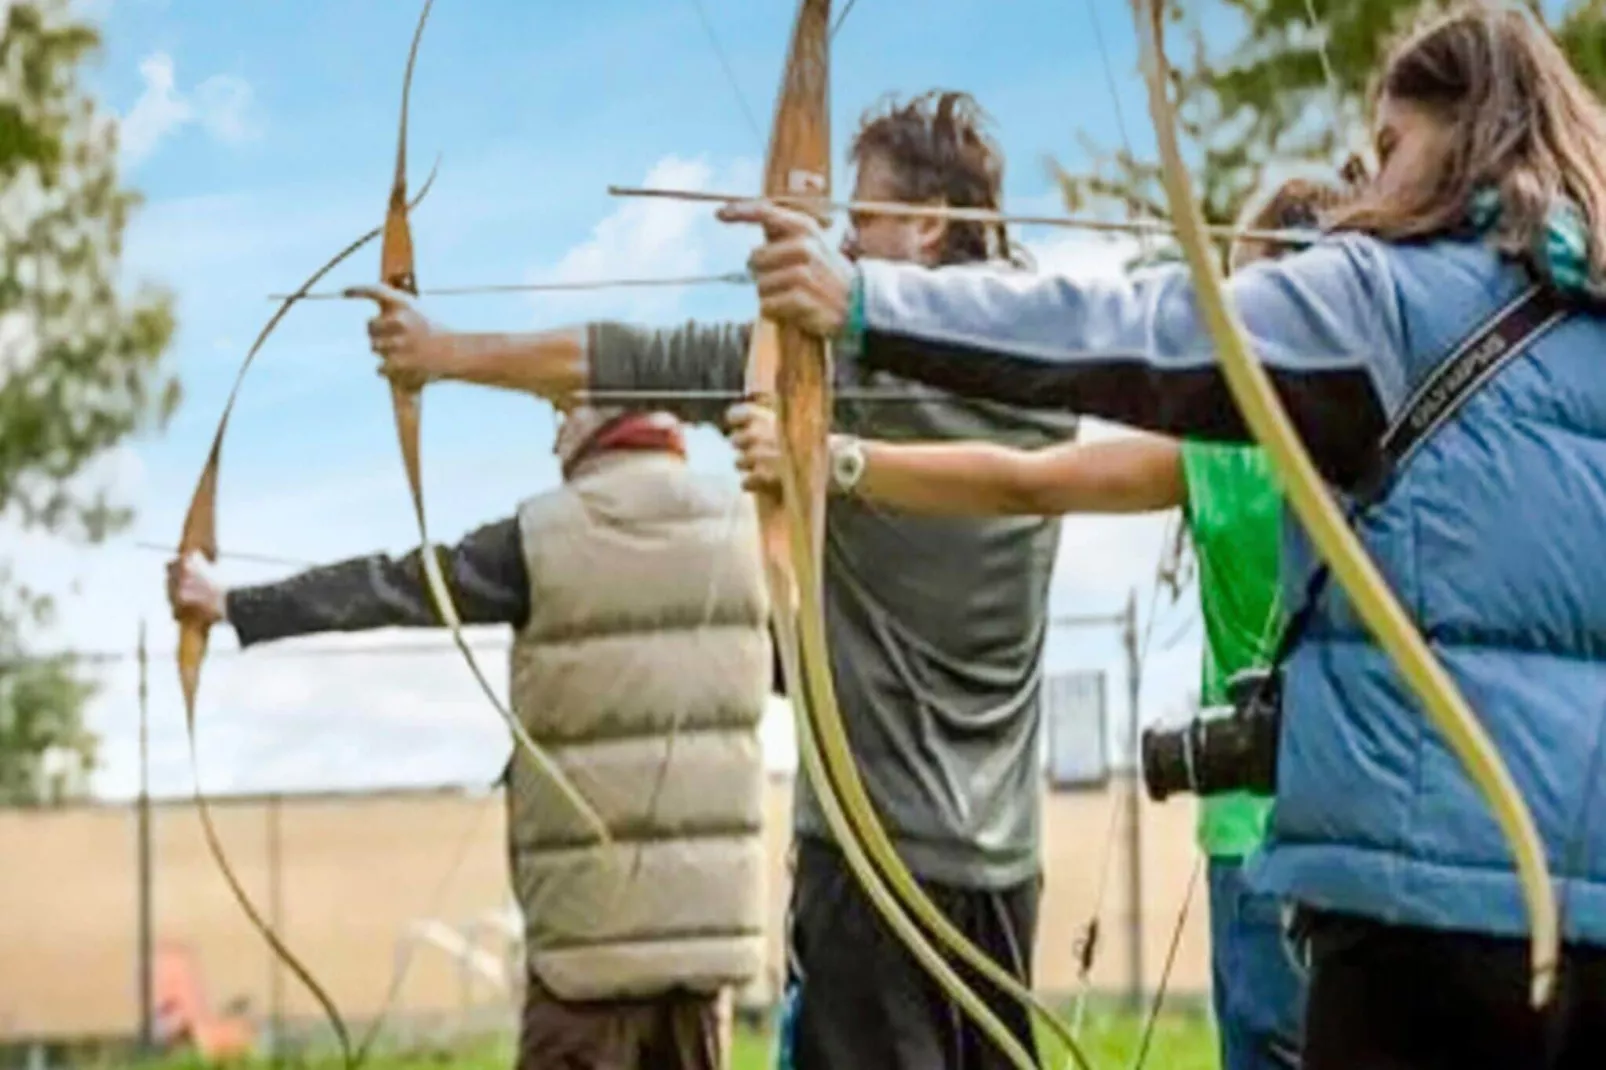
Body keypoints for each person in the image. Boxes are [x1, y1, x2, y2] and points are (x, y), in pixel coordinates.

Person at [720, 6, 1606, 1068]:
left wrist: (861, 300)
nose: (1370, 183)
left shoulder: (1379, 294)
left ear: (1462, 140)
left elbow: (1134, 327)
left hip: (1415, 906)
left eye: (1390, 149)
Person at [353, 90, 1080, 1070]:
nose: (842, 249)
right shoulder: (1053, 373)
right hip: (1003, 862)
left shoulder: (841, 376)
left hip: (869, 867)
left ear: (929, 223)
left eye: (857, 224)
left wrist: (441, 352)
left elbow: (628, 357)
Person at [728, 176, 1337, 1070]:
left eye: (1245, 287)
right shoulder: (1406, 433)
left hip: (1257, 837)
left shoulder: (1226, 449)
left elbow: (1029, 482)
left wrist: (835, 459)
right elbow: (1027, 477)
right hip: (1385, 839)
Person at [166, 406, 771, 1070]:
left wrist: (230, 602)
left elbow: (393, 587)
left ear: (605, 414)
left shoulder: (546, 537)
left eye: (565, 411)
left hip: (586, 954)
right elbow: (811, 679)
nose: (555, 433)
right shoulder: (748, 535)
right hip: (705, 959)